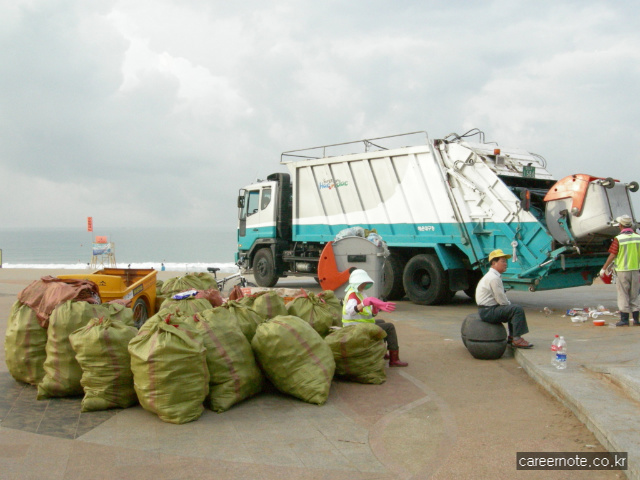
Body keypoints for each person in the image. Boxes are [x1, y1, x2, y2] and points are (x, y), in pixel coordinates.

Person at [342, 269, 408, 367]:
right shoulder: (353, 294)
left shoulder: (360, 293)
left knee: (381, 321)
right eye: (362, 283)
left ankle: (382, 351)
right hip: (354, 327)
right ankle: (394, 359)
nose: (364, 285)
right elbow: (351, 311)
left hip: (359, 324)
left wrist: (375, 309)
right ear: (357, 283)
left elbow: (367, 314)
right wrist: (364, 303)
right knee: (390, 327)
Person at [475, 249, 534, 349]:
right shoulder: (493, 278)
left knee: (512, 309)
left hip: (486, 310)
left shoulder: (493, 276)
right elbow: (501, 299)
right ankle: (517, 339)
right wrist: (510, 306)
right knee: (516, 310)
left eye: (505, 261)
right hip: (488, 311)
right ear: (494, 263)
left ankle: (512, 337)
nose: (505, 264)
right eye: (502, 261)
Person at [600, 215, 640, 326]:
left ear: (620, 226)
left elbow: (612, 255)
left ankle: (624, 320)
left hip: (622, 271)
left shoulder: (619, 239)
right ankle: (636, 320)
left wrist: (604, 268)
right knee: (634, 295)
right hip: (636, 271)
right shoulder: (638, 237)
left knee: (623, 295)